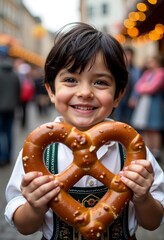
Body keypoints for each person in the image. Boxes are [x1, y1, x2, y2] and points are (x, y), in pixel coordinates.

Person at [4, 23, 164, 240]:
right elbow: (24, 227)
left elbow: (153, 222)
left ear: (118, 95)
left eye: (100, 82)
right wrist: (34, 206)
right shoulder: (37, 153)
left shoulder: (134, 151)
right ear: (51, 90)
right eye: (70, 80)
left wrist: (143, 197)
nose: (85, 92)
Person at [131, 55, 164, 161]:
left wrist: (144, 87)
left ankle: (156, 151)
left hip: (155, 104)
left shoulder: (160, 73)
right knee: (145, 127)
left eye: (151, 61)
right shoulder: (147, 73)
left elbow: (153, 88)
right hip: (145, 103)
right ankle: (147, 149)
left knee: (154, 128)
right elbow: (137, 86)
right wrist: (145, 87)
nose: (149, 63)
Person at [0, 57, 21, 166]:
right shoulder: (14, 75)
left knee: (0, 133)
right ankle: (8, 156)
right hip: (11, 108)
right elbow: (18, 91)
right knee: (9, 132)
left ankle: (1, 156)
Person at [113, 46, 141, 124]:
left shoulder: (136, 69)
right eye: (126, 55)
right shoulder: (118, 68)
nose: (128, 57)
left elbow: (137, 85)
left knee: (128, 119)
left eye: (129, 55)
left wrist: (134, 97)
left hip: (129, 97)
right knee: (117, 118)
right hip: (119, 97)